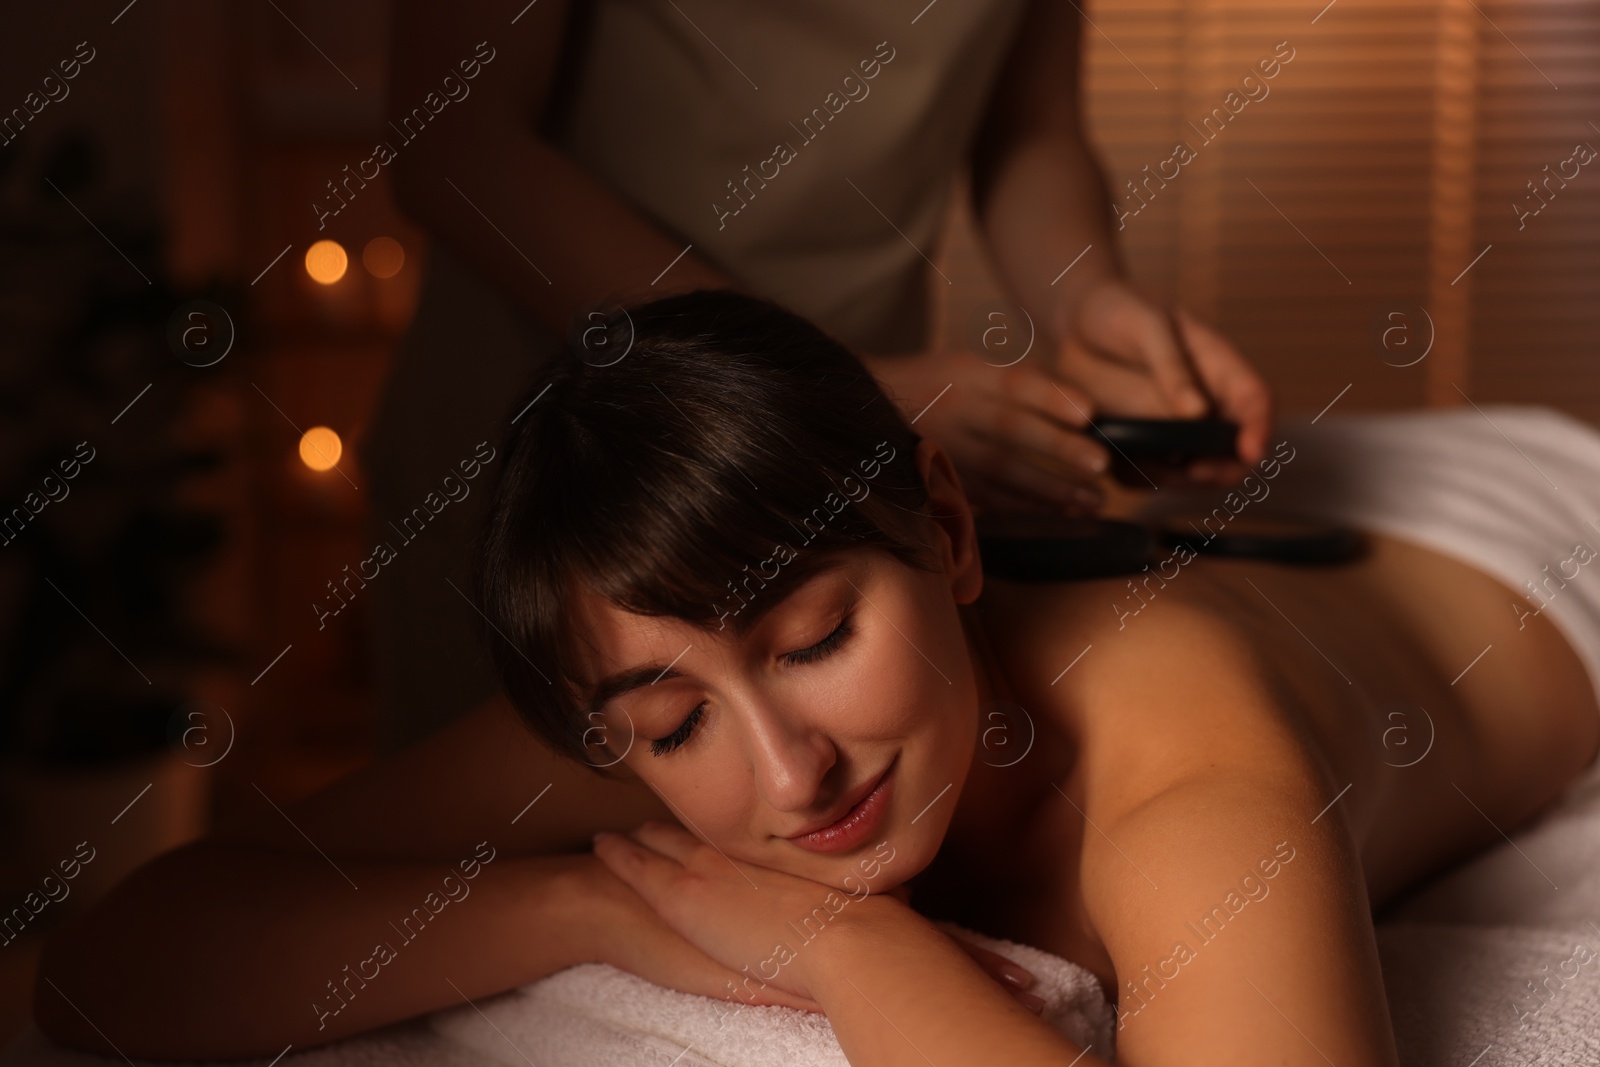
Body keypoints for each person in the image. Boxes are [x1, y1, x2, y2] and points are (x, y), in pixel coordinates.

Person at [37, 292, 1600, 1063]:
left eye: (814, 640)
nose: (790, 778)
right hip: (1205, 539)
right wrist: (592, 900)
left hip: (1522, 536)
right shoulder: (671, 686)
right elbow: (112, 974)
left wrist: (841, 949)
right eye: (672, 721)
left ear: (951, 533)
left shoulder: (1180, 761)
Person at [359, 0, 1274, 750]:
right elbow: (457, 146)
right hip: (548, 443)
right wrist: (840, 389)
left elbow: (1026, 128)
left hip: (839, 455)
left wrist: (1090, 300)